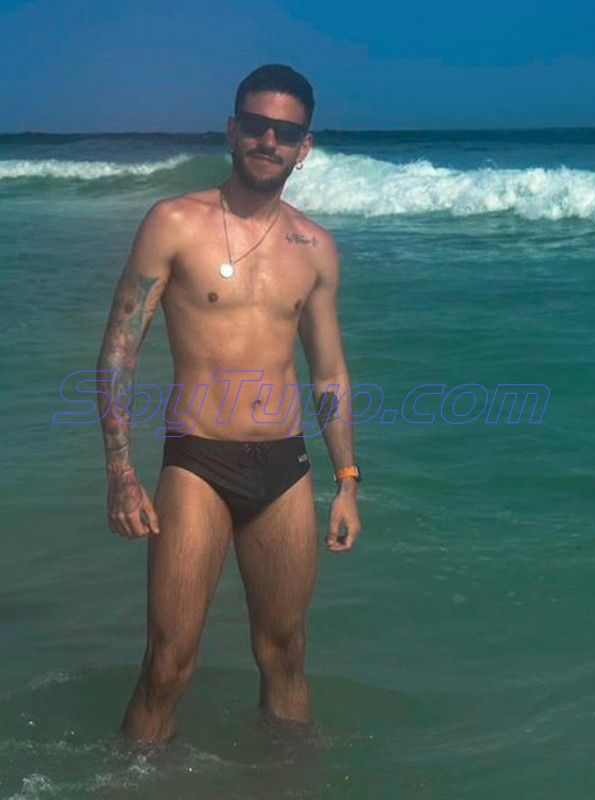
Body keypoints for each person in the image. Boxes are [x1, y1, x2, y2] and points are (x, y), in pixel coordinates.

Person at [96, 64, 362, 745]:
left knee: (287, 656)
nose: (269, 140)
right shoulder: (174, 223)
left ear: (304, 147)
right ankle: (128, 786)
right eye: (256, 125)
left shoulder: (315, 248)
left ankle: (285, 786)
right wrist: (121, 473)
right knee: (168, 664)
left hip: (286, 469)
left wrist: (347, 480)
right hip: (198, 464)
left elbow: (329, 373)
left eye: (286, 132)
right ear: (232, 130)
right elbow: (120, 350)